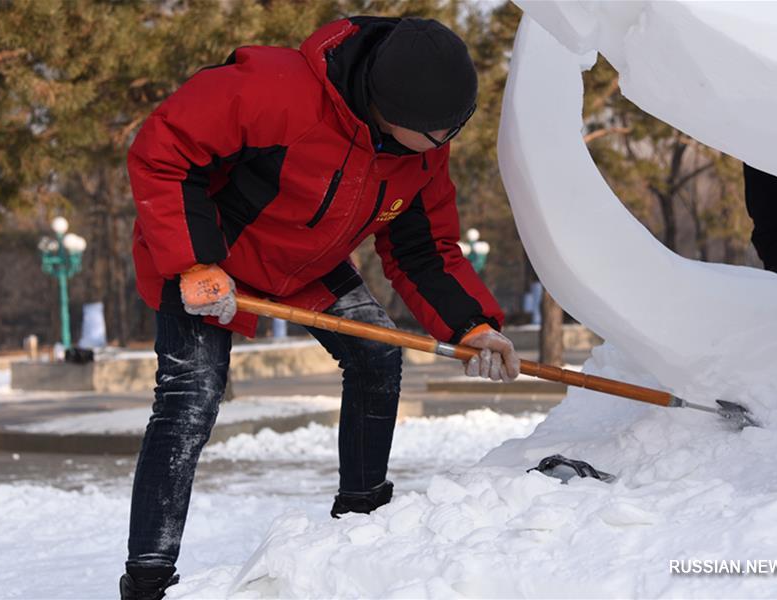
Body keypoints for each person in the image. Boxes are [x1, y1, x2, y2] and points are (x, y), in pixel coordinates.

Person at [121, 15, 520, 600]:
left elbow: (422, 251)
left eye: (453, 130)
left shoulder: (423, 152)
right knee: (189, 402)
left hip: (307, 263)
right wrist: (194, 261)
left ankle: (359, 527)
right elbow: (163, 150)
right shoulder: (276, 91)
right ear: (385, 109)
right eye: (436, 134)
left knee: (377, 357)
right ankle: (149, 580)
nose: (445, 146)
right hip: (210, 254)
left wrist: (474, 326)